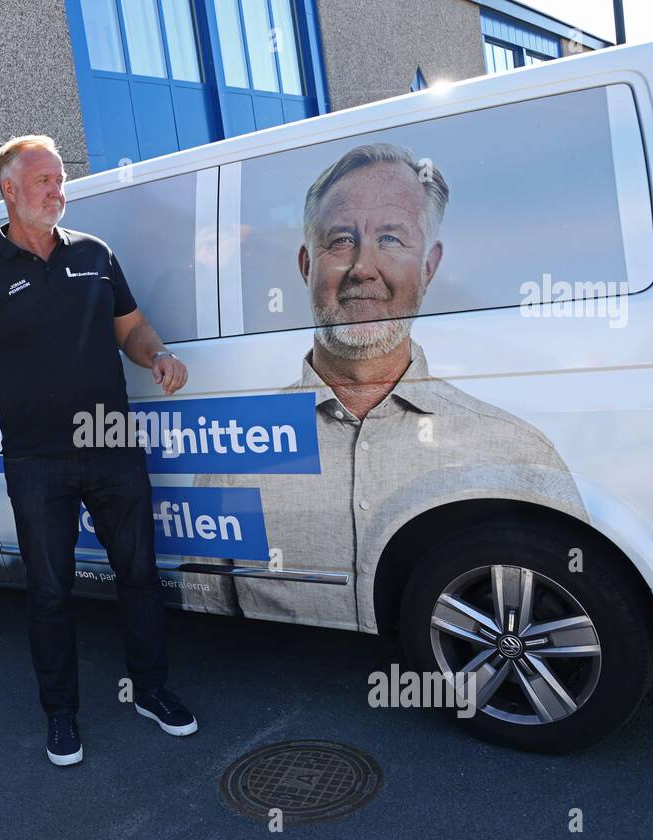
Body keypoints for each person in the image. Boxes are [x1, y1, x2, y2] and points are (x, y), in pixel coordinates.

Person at [182, 143, 588, 630]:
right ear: (307, 265)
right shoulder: (237, 450)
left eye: (391, 240)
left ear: (429, 266)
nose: (363, 268)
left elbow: (570, 608)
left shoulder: (517, 452)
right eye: (341, 240)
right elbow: (210, 621)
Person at [0, 135, 198, 767]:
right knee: (50, 591)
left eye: (61, 179)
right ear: (9, 190)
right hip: (37, 463)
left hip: (112, 446)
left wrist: (159, 354)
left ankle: (152, 691)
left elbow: (131, 329)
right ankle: (61, 715)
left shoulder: (95, 254)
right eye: (45, 181)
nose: (59, 190)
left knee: (139, 576)